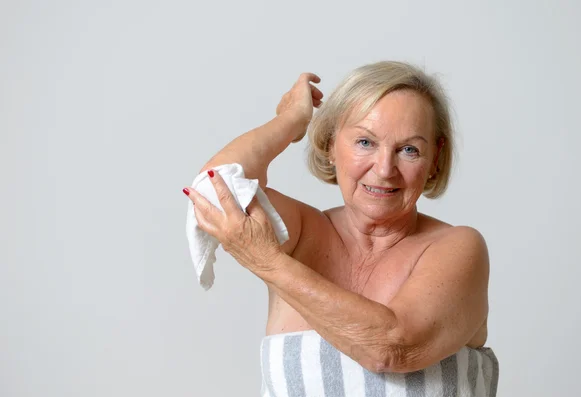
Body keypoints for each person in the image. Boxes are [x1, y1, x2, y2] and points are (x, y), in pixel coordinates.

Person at [183, 61, 499, 396]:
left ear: (435, 159)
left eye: (409, 149)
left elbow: (392, 349)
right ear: (331, 144)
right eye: (365, 142)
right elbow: (212, 191)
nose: (384, 169)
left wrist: (269, 263)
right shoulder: (304, 230)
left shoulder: (458, 247)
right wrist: (291, 121)